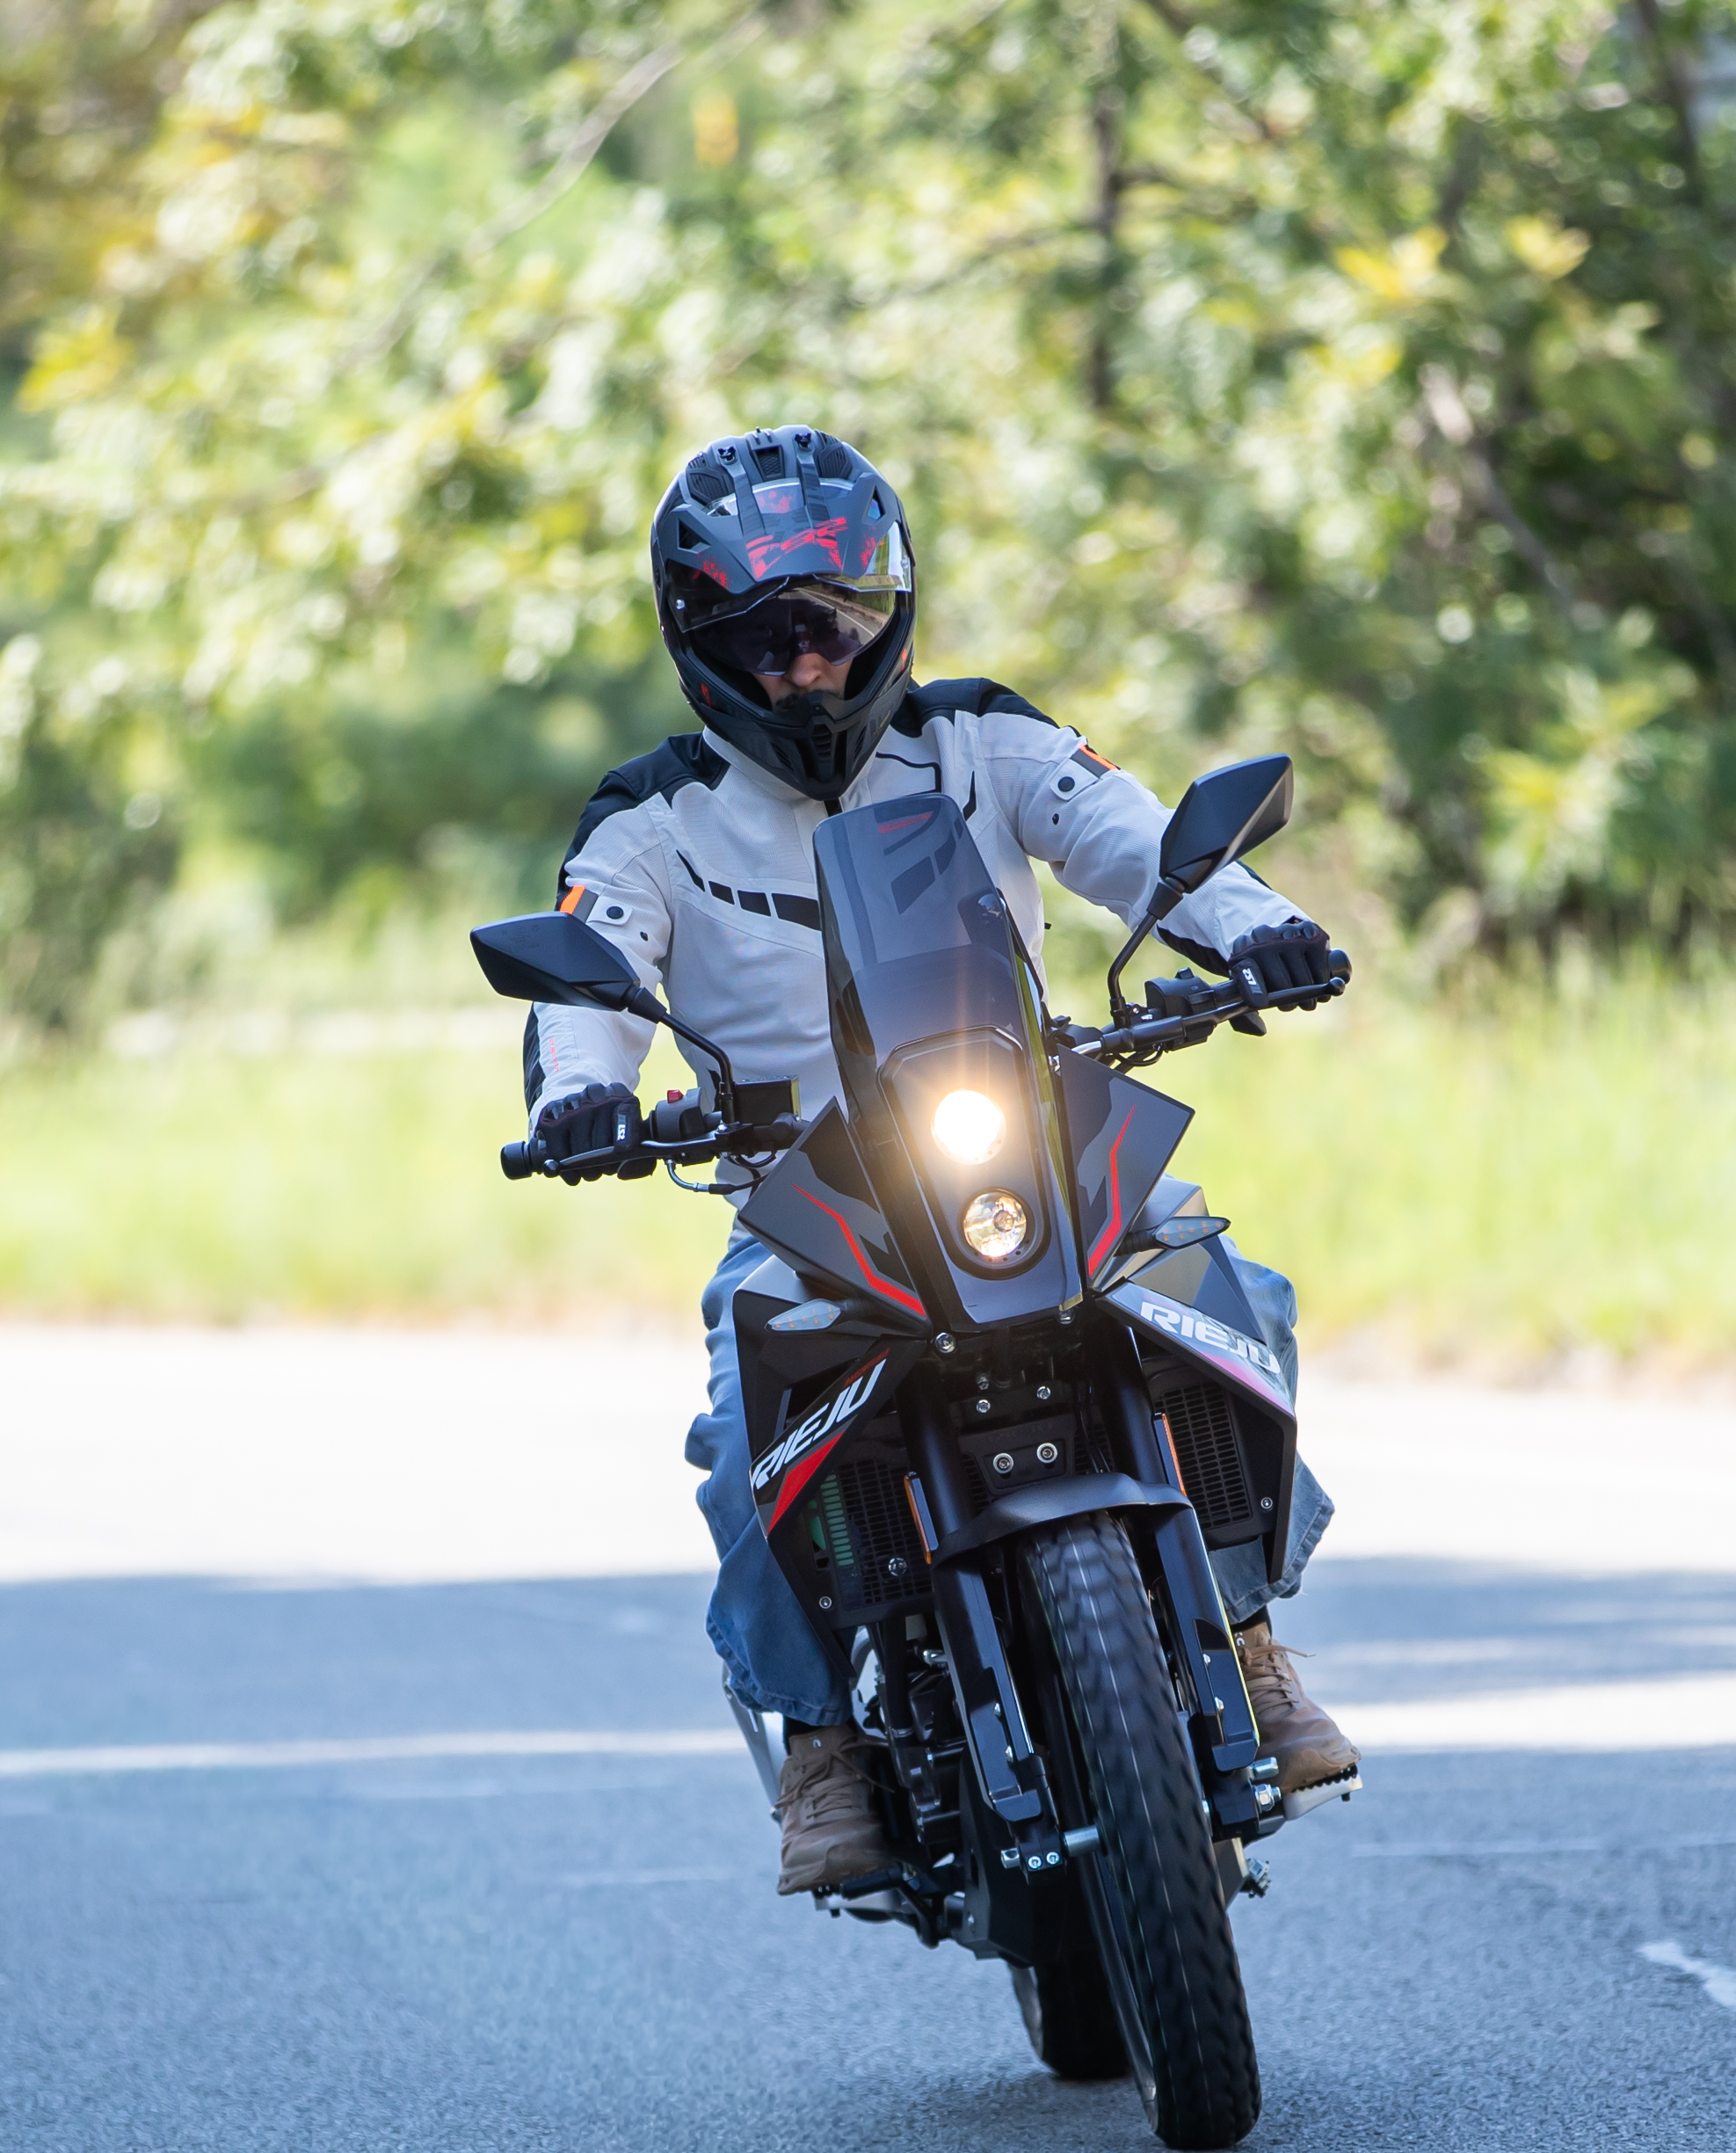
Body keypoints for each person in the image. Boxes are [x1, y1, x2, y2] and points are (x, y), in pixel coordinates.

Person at [523, 428, 1359, 1897]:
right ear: (698, 644)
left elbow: (1132, 838)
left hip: (1031, 1132)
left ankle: (1240, 1632)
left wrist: (1256, 928)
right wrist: (584, 1096)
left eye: (837, 623)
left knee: (1231, 1283)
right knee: (739, 1420)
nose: (809, 665)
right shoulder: (649, 819)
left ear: (892, 607)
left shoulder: (982, 738)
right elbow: (589, 972)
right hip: (803, 1193)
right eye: (767, 636)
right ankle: (823, 1737)